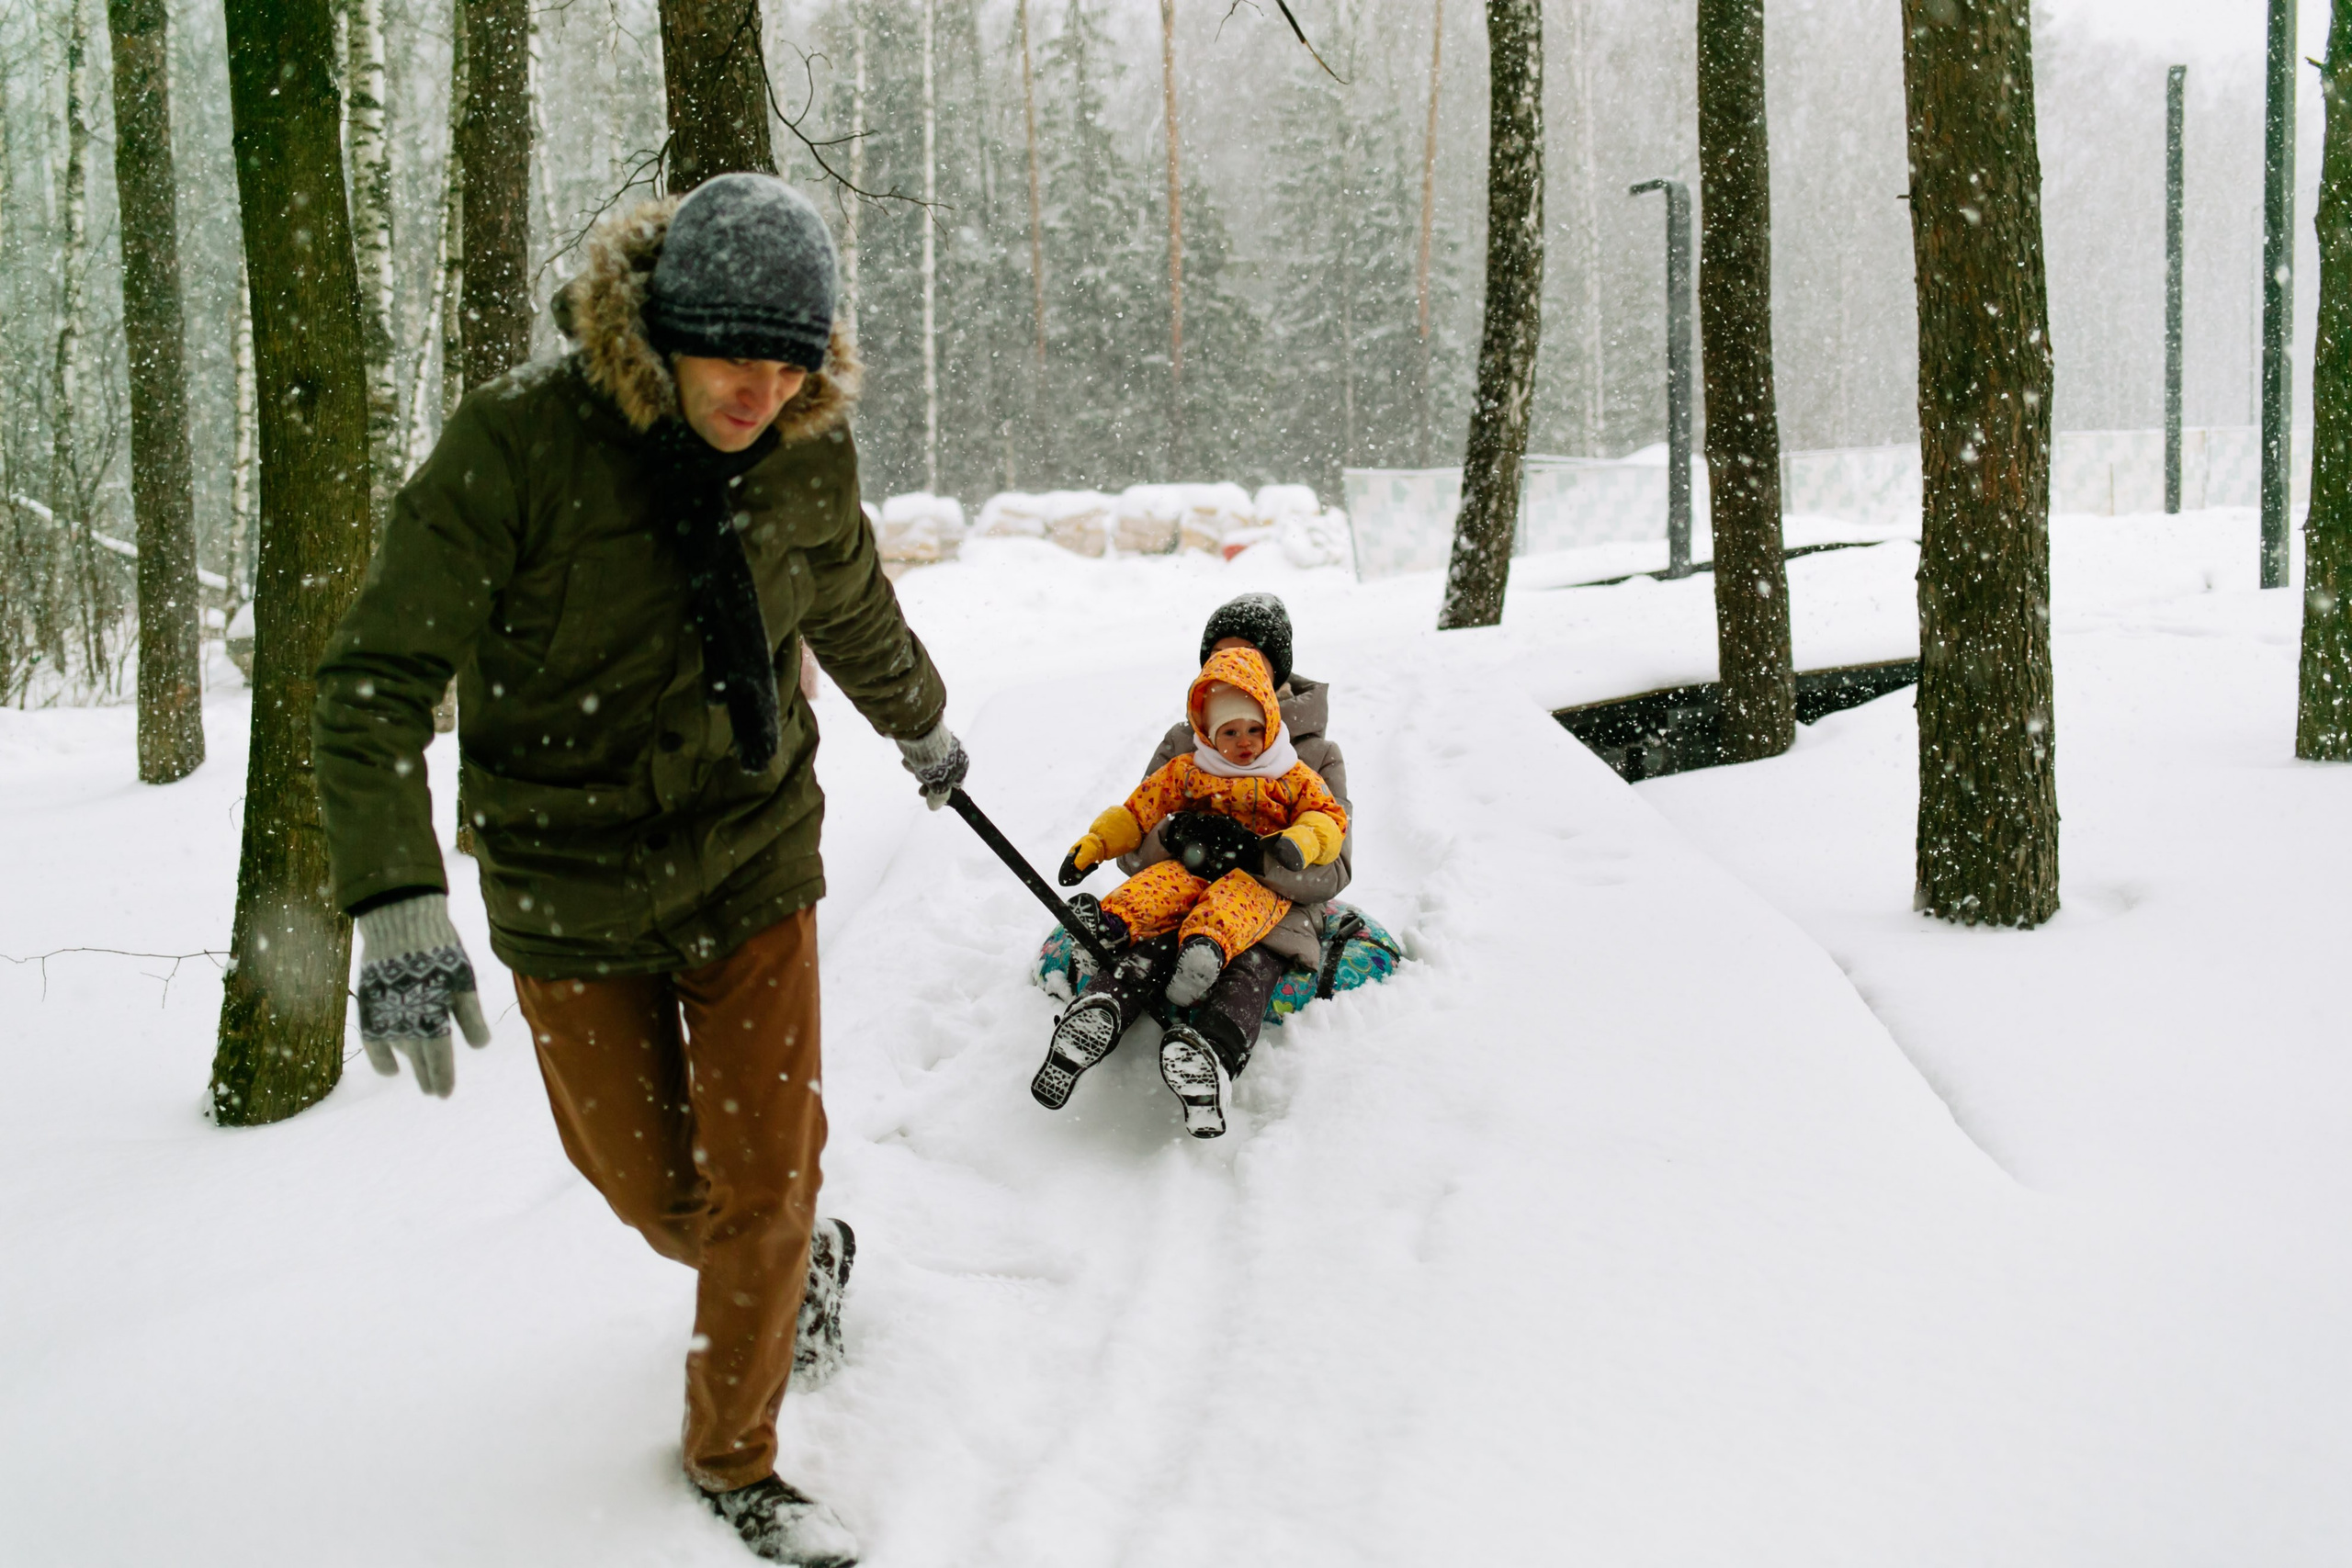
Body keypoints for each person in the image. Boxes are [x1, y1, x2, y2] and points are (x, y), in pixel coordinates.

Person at [311, 175, 965, 1568]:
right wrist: (392, 893)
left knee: (763, 1187)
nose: (762, 385)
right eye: (734, 349)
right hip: (571, 878)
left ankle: (738, 1454)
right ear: (658, 327)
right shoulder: (520, 446)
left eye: (792, 357)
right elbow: (369, 682)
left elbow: (846, 595)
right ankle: (799, 1270)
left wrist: (921, 718)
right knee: (654, 1187)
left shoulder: (801, 447)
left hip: (750, 854)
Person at [1036, 594, 1353, 1135]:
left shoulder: (1316, 755)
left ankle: (1211, 1056)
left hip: (1272, 908)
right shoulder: (1184, 745)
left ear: (1275, 666)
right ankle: (1092, 1021)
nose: (1231, 667)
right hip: (1183, 892)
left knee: (1253, 965)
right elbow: (1137, 839)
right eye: (1217, 656)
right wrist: (1181, 839)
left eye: (1248, 654)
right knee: (1151, 948)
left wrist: (1257, 855)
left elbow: (1335, 869)